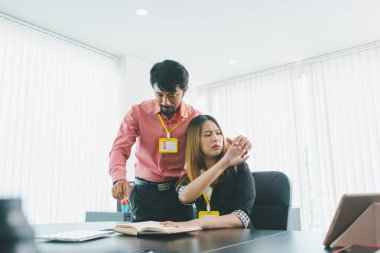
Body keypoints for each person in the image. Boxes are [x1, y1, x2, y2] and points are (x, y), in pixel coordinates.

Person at [109, 60, 252, 222]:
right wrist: (119, 178)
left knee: (182, 244)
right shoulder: (138, 112)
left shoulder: (196, 118)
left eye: (172, 95)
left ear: (185, 90)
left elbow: (214, 143)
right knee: (143, 244)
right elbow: (119, 149)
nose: (165, 102)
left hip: (180, 194)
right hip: (144, 194)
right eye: (159, 95)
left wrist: (239, 146)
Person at [161, 115, 256, 229]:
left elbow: (242, 217)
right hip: (206, 240)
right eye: (207, 134)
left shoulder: (239, 167)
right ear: (195, 141)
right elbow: (185, 197)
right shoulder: (190, 175)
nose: (215, 138)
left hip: (238, 239)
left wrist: (198, 222)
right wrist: (223, 163)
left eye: (218, 133)